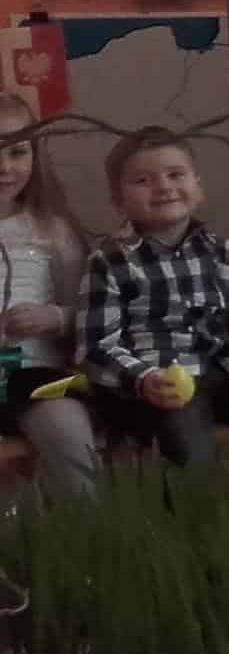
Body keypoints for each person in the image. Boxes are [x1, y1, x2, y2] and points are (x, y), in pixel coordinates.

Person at [78, 127, 229, 467]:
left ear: (198, 188)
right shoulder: (109, 261)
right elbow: (96, 347)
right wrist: (143, 379)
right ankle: (196, 503)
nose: (163, 186)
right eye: (144, 180)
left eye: (175, 175)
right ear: (119, 202)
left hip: (222, 373)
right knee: (187, 447)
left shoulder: (222, 252)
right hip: (157, 385)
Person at [0, 95, 99, 499]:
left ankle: (90, 528)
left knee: (67, 429)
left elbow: (92, 313)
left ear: (35, 155)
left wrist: (54, 317)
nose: (4, 167)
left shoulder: (52, 229)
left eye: (17, 152)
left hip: (37, 375)